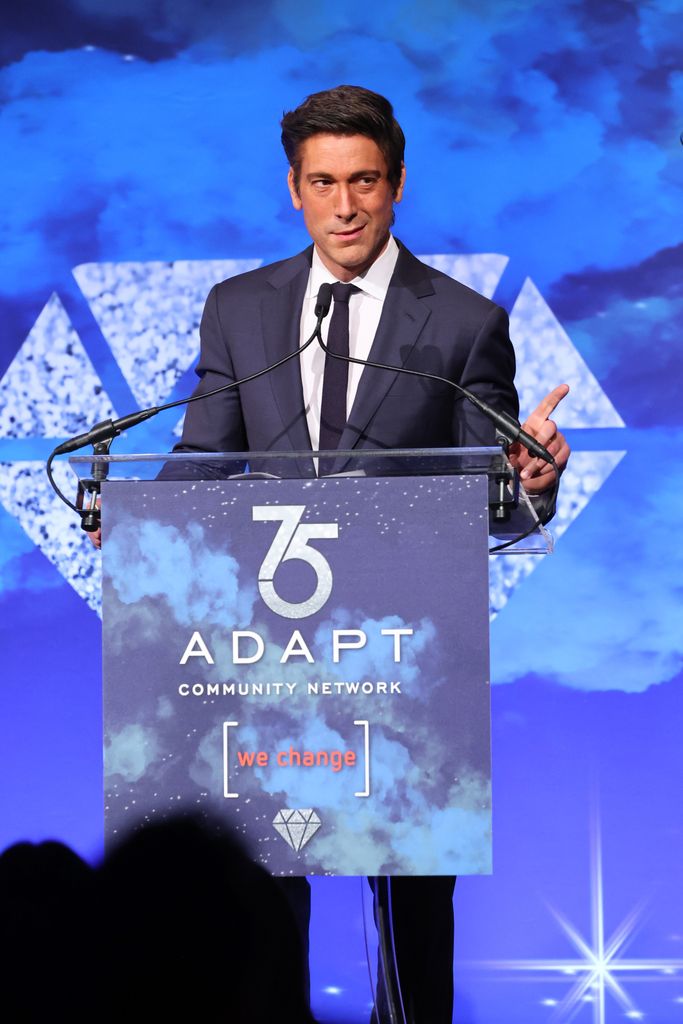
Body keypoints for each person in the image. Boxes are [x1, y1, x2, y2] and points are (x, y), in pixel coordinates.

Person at [96, 85, 571, 1021]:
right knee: (269, 896)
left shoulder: (463, 321)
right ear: (294, 188)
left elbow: (491, 495)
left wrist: (533, 488)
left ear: (396, 186)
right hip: (270, 651)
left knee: (411, 907)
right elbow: (209, 453)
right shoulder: (239, 309)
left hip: (403, 663)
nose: (344, 206)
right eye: (323, 183)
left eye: (363, 182)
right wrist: (143, 522)